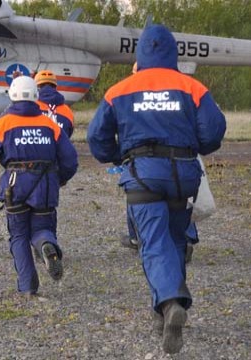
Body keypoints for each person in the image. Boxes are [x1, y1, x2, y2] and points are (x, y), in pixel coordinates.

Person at [87, 25, 226, 354]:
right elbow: (213, 131)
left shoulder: (120, 90)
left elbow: (97, 138)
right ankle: (161, 312)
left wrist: (116, 156)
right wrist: (194, 146)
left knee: (152, 242)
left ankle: (169, 303)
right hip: (184, 174)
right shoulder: (192, 87)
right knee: (176, 238)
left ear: (141, 55)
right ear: (172, 53)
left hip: (144, 173)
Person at [0, 75, 78, 296]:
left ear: (12, 95)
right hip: (46, 186)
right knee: (43, 228)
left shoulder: (3, 123)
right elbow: (70, 160)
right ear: (35, 96)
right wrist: (62, 178)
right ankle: (47, 244)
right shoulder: (49, 124)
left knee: (19, 235)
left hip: (15, 186)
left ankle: (28, 287)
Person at [120, 62, 199, 264]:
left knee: (140, 200)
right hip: (182, 158)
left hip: (145, 162)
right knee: (181, 202)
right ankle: (186, 238)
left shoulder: (131, 94)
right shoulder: (178, 91)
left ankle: (139, 238)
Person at [34, 70, 75, 138]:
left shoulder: (32, 107)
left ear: (37, 87)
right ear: (55, 87)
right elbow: (69, 133)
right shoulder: (67, 111)